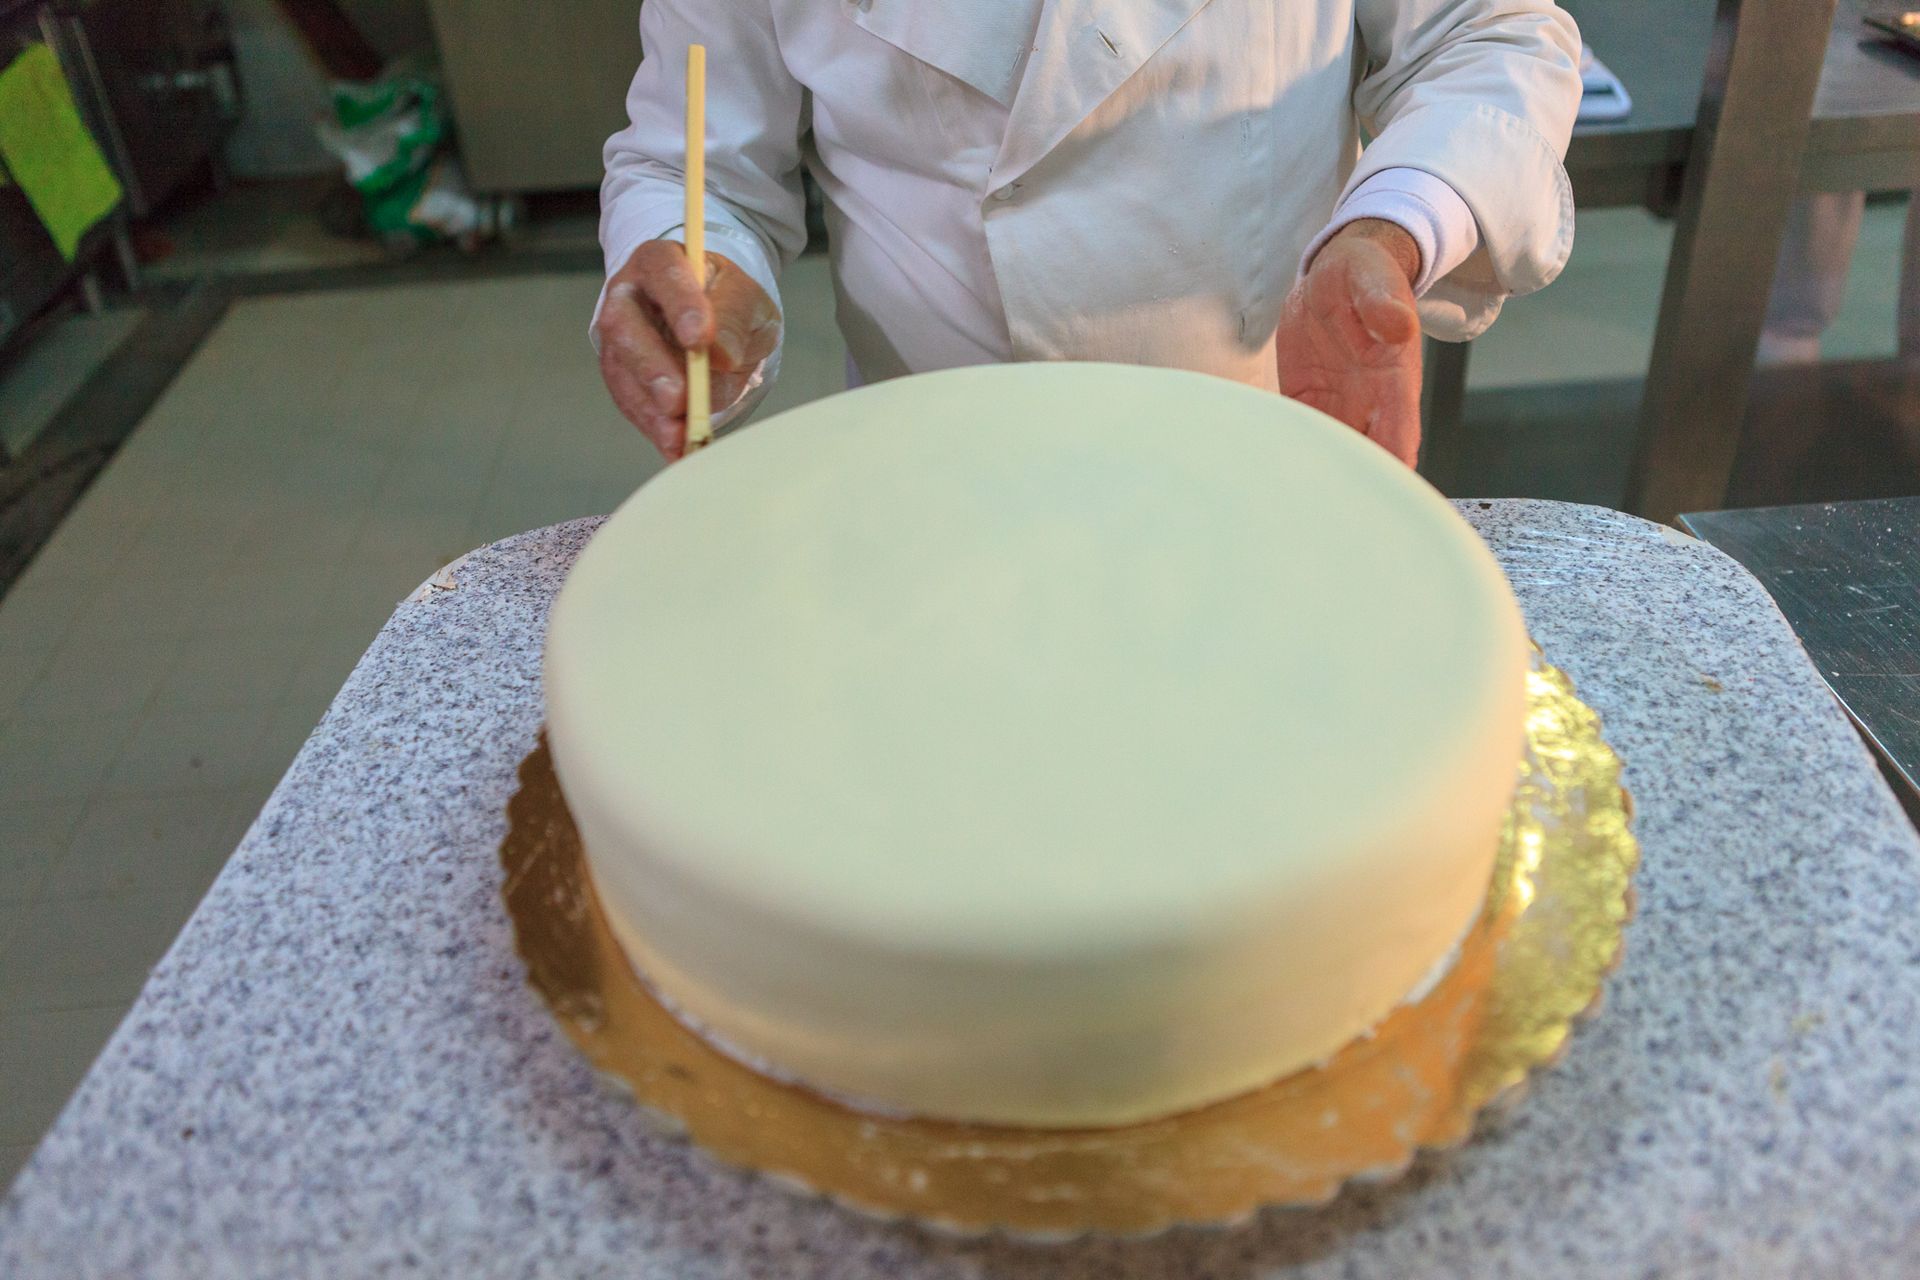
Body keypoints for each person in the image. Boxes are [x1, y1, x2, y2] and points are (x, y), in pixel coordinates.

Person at [595, 1, 1583, 467]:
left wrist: (1387, 232)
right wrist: (693, 266)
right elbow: (698, 153)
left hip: (1265, 447)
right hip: (924, 473)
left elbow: (1485, 38)